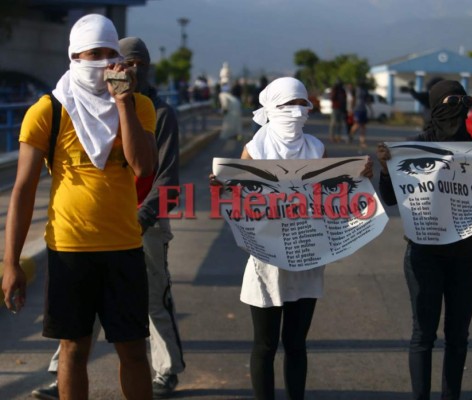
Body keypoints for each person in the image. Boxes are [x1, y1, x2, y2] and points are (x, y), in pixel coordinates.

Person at [2, 14, 157, 400]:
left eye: (111, 53)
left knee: (134, 351)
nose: (103, 62)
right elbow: (22, 190)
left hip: (124, 247)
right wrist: (11, 262)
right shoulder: (47, 111)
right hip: (70, 249)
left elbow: (144, 167)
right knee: (74, 350)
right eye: (93, 54)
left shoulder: (139, 107)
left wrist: (122, 103)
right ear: (74, 56)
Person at [29, 36, 186, 400]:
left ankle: (167, 369)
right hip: (98, 230)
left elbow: (165, 177)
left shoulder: (158, 113)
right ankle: (62, 375)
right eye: (120, 63)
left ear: (143, 68)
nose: (123, 71)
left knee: (153, 304)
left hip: (144, 221)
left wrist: (141, 217)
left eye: (132, 64)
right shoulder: (84, 107)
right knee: (82, 321)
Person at [211, 77, 372, 399]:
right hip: (267, 258)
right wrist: (223, 188)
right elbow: (239, 197)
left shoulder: (316, 147)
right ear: (270, 108)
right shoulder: (255, 148)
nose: (295, 112)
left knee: (297, 343)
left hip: (307, 256)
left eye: (301, 104)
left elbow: (330, 192)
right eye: (287, 105)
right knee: (266, 344)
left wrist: (358, 175)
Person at [376, 80, 472, 400]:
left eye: (462, 100)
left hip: (466, 256)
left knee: (458, 337)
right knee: (423, 335)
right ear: (435, 106)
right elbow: (389, 199)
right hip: (424, 255)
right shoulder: (414, 148)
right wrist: (387, 171)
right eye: (449, 100)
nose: (456, 106)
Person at [349, 82, 371, 148]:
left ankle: (362, 142)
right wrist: (351, 109)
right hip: (357, 109)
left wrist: (370, 109)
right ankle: (350, 135)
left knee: (363, 126)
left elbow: (367, 100)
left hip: (363, 109)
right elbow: (353, 99)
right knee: (357, 125)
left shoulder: (365, 90)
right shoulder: (356, 90)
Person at [328, 78, 347, 143]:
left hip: (341, 108)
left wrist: (345, 109)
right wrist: (335, 90)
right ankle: (332, 136)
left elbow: (345, 99)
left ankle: (338, 137)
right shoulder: (334, 89)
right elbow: (332, 97)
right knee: (333, 123)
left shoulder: (342, 90)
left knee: (340, 124)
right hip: (335, 107)